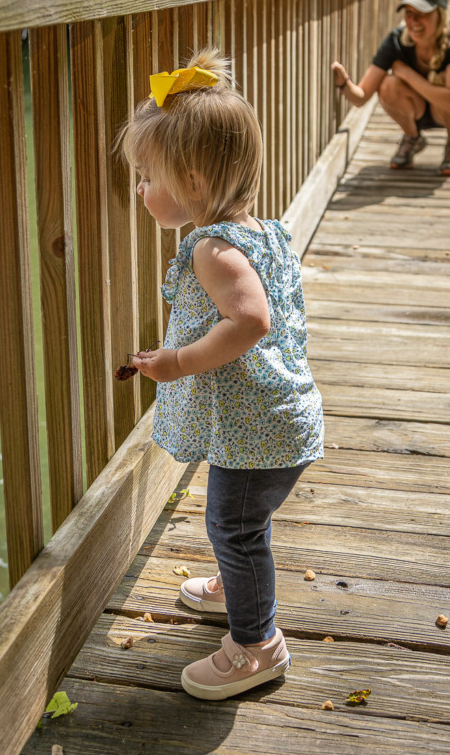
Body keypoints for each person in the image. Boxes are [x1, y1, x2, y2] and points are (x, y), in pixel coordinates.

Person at [118, 48, 324, 701]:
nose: (140, 190)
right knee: (235, 524)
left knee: (233, 527)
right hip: (270, 419)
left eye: (147, 177)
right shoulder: (255, 229)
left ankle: (256, 646)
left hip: (260, 429)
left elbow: (250, 321)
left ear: (195, 182)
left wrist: (177, 361)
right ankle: (237, 586)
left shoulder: (212, 250)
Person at [332, 0, 450, 175]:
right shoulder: (396, 39)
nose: (414, 21)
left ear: (440, 14)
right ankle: (412, 137)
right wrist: (344, 83)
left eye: (422, 14)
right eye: (409, 13)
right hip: (417, 108)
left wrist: (407, 74)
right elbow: (361, 97)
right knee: (387, 84)